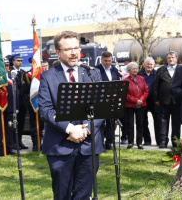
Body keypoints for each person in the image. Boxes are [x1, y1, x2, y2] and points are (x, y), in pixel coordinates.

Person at [39, 31, 104, 199]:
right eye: (68, 49)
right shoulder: (47, 77)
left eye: (76, 48)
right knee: (62, 195)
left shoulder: (92, 73)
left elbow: (101, 107)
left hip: (88, 145)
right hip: (60, 146)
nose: (74, 53)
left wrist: (85, 130)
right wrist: (70, 129)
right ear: (58, 52)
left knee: (83, 195)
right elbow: (46, 110)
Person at [154, 51, 182, 148]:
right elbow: (156, 85)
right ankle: (163, 142)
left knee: (176, 123)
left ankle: (175, 142)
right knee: (163, 122)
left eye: (172, 57)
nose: (171, 59)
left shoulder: (181, 69)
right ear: (167, 59)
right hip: (163, 101)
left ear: (176, 58)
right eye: (169, 58)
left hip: (177, 101)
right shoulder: (161, 70)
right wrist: (156, 99)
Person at [95, 51, 122, 150]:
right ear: (101, 59)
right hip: (101, 100)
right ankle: (100, 143)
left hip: (113, 101)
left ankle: (109, 142)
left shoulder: (114, 70)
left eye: (109, 61)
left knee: (111, 122)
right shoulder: (96, 70)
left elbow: (117, 83)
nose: (107, 63)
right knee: (101, 123)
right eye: (105, 61)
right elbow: (95, 85)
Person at [123, 62, 149, 150]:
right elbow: (125, 94)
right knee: (130, 124)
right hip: (129, 105)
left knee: (140, 123)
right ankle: (130, 142)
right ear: (129, 70)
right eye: (133, 69)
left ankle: (139, 142)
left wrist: (141, 100)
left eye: (136, 68)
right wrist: (135, 100)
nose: (135, 70)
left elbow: (146, 90)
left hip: (141, 105)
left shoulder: (141, 78)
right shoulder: (125, 80)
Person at [0, 58, 16, 156]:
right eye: (4, 65)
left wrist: (16, 107)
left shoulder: (12, 77)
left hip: (10, 108)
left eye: (7, 66)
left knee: (9, 129)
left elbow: (16, 93)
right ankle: (0, 148)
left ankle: (9, 147)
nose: (6, 67)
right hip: (0, 108)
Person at [138, 57, 161, 146]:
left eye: (151, 64)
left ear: (154, 65)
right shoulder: (139, 74)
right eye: (147, 64)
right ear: (144, 65)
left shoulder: (157, 74)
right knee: (143, 121)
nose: (149, 66)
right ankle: (147, 140)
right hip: (142, 101)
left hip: (155, 101)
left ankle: (159, 141)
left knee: (158, 121)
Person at [10, 54, 29, 150]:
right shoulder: (10, 72)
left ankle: (20, 141)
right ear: (13, 62)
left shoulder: (23, 72)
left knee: (21, 123)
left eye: (21, 61)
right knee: (14, 122)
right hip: (14, 101)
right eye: (18, 61)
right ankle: (13, 142)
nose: (20, 62)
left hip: (22, 102)